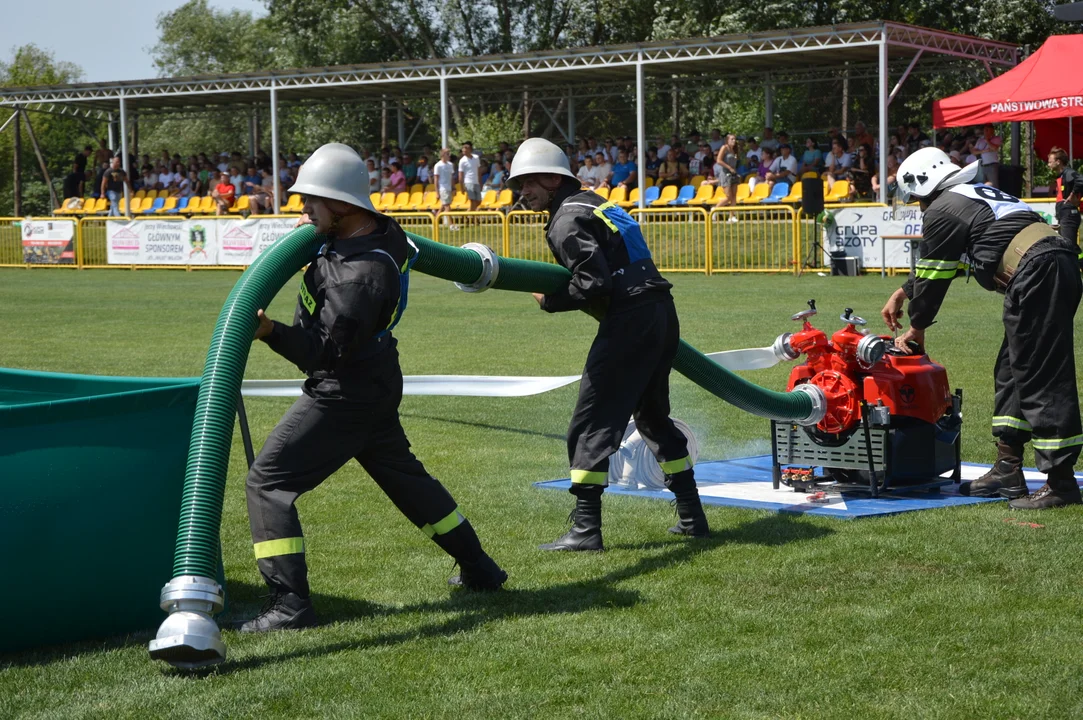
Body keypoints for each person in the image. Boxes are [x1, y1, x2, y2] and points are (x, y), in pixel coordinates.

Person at [242, 144, 506, 632]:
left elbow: (323, 352)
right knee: (408, 482)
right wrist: (322, 238)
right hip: (376, 377)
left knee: (269, 483)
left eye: (311, 201)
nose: (303, 210)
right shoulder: (376, 232)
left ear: (343, 205)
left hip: (344, 391)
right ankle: (482, 569)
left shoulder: (358, 280)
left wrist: (269, 332)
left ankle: (290, 605)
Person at [506, 137, 710, 551]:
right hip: (661, 313)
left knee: (591, 422)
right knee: (654, 419)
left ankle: (585, 529)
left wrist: (551, 301)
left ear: (551, 177)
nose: (521, 193)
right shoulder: (598, 202)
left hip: (631, 319)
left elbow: (593, 283)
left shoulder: (565, 220)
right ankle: (692, 516)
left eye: (527, 183)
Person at [881, 147, 1082, 510]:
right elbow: (973, 254)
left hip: (1037, 272)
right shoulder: (972, 194)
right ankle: (1007, 468)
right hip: (1049, 265)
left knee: (1042, 375)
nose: (914, 203)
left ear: (923, 185)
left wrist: (918, 328)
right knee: (1012, 371)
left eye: (913, 196)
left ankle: (1061, 483)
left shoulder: (941, 209)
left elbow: (936, 273)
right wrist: (904, 290)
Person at [1048, 146, 1083, 251]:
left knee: (1068, 247)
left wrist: (1073, 194)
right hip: (1065, 215)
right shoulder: (1062, 175)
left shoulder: (1068, 173)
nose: (1048, 164)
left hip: (1069, 214)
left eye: (1050, 162)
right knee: (1065, 246)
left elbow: (1081, 180)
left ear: (1058, 162)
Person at [458, 142, 482, 211]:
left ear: (470, 150)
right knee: (473, 201)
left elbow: (479, 171)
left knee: (479, 201)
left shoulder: (476, 158)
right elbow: (460, 175)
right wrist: (461, 187)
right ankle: (472, 219)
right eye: (463, 149)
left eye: (465, 149)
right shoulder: (462, 161)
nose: (464, 151)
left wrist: (480, 183)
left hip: (476, 182)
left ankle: (467, 215)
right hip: (468, 182)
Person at [433, 148, 456, 216]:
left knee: (444, 205)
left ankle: (435, 220)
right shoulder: (438, 165)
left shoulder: (450, 165)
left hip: (449, 188)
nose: (449, 156)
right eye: (447, 154)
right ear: (443, 155)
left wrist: (454, 188)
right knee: (447, 207)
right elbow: (436, 180)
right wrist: (437, 192)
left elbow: (452, 177)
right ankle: (451, 225)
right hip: (443, 188)